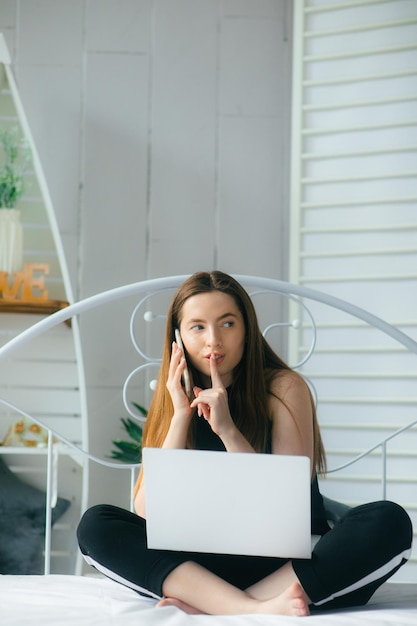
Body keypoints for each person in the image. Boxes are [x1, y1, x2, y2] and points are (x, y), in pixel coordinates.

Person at [77, 271, 412, 617]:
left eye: (227, 324)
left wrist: (227, 430)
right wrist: (180, 416)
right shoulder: (171, 398)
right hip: (198, 567)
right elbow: (148, 514)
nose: (213, 341)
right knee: (96, 525)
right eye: (197, 327)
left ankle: (219, 606)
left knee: (389, 521)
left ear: (247, 330)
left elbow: (284, 508)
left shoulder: (283, 388)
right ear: (177, 338)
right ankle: (247, 606)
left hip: (284, 566)